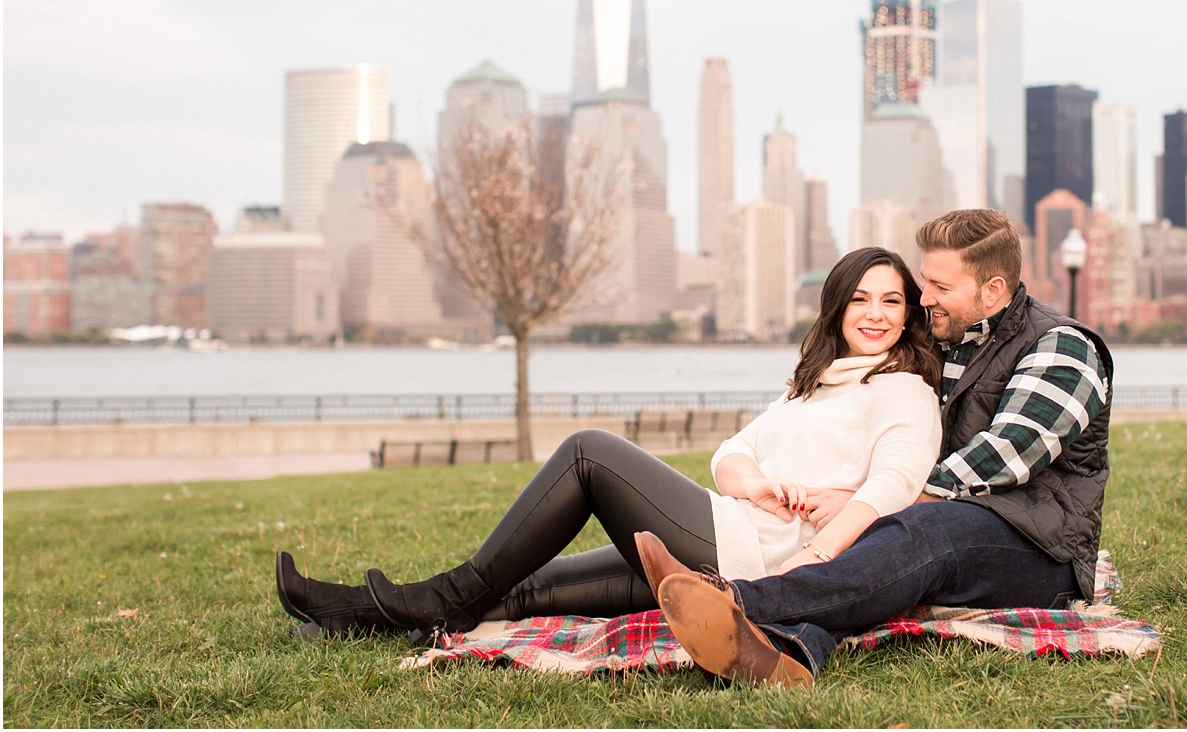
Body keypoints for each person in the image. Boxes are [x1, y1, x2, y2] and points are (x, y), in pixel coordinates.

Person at [274, 246, 942, 641]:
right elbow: (729, 454)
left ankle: (440, 597)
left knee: (590, 452)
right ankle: (356, 615)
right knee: (531, 590)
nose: (877, 314)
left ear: (908, 312)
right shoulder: (814, 383)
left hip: (758, 561)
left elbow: (896, 485)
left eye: (891, 301)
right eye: (861, 300)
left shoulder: (904, 390)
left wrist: (819, 560)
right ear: (837, 307)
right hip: (734, 527)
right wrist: (760, 484)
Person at [636, 208, 1115, 687]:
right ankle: (784, 650)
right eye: (925, 282)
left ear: (992, 290)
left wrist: (870, 501)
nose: (923, 299)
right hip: (938, 513)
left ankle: (737, 602)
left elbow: (1002, 456)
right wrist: (859, 497)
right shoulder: (945, 334)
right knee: (885, 552)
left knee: (920, 531)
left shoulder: (1062, 348)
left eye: (940, 288)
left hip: (1039, 547)